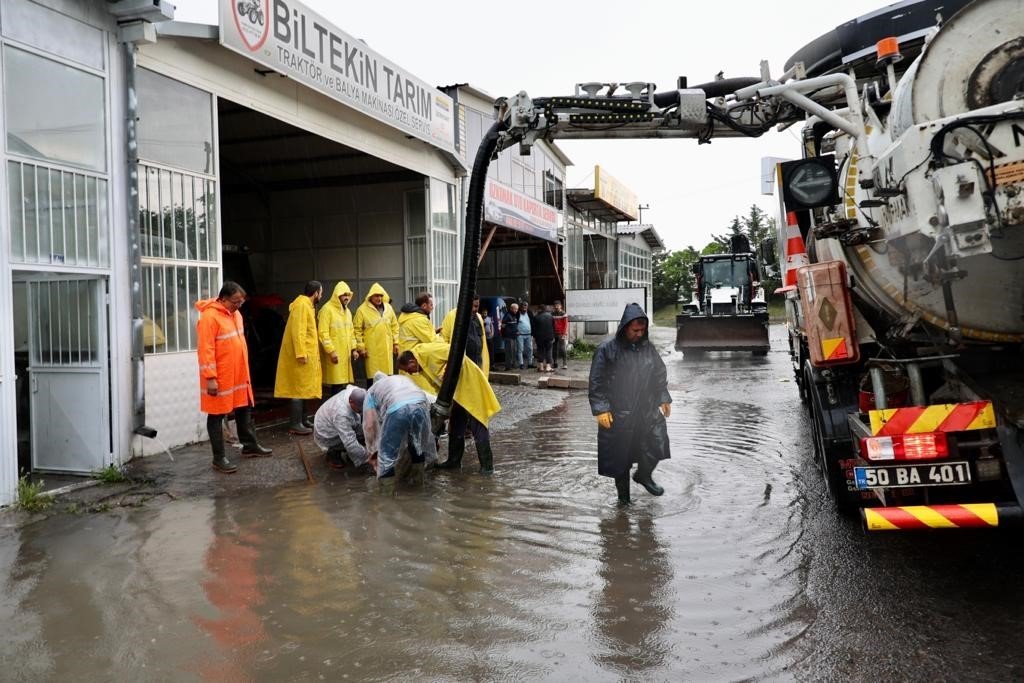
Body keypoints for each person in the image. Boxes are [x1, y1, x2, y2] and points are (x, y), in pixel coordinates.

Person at [588, 303, 672, 505]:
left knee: (658, 442)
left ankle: (644, 475)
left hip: (647, 409)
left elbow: (659, 374)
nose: (639, 333)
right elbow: (596, 381)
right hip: (619, 412)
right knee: (621, 458)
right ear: (625, 327)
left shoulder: (648, 348)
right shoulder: (607, 349)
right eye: (635, 330)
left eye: (642, 330)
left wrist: (663, 396)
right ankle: (623, 500)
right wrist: (601, 408)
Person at [196, 282, 272, 474]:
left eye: (241, 302)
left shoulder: (236, 314)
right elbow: (206, 350)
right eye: (236, 301)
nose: (239, 305)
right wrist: (210, 378)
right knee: (216, 415)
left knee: (243, 409)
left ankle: (249, 445)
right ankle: (218, 457)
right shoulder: (209, 318)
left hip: (238, 375)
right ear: (223, 299)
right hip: (220, 377)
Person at [397, 344, 501, 474]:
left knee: (477, 423)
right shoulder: (422, 366)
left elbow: (458, 353)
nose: (409, 373)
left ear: (412, 361)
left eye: (408, 369)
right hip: (456, 392)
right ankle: (454, 461)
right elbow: (438, 386)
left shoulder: (429, 351)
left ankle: (487, 466)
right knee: (456, 423)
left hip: (470, 385)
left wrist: (448, 367)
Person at [362, 372, 437, 479]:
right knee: (417, 446)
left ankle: (385, 494)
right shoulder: (400, 380)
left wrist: (373, 451)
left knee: (386, 456)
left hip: (398, 408)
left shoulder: (371, 392)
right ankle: (418, 484)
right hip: (421, 404)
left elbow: (369, 425)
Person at [274, 280, 323, 435]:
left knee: (304, 388)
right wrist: (301, 353)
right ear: (316, 293)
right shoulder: (302, 306)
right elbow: (298, 331)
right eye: (321, 292)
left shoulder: (306, 306)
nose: (321, 295)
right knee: (298, 388)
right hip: (302, 356)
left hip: (306, 355)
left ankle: (303, 420)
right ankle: (295, 424)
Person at [312, 385, 369, 471]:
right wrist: (367, 458)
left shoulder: (356, 391)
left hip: (332, 420)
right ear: (351, 401)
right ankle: (333, 452)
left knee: (364, 433)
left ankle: (353, 453)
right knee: (351, 442)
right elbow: (349, 441)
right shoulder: (341, 413)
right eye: (359, 408)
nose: (361, 410)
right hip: (326, 433)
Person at [353, 283, 399, 387]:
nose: (379, 298)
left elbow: (395, 326)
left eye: (381, 296)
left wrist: (396, 343)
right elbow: (357, 330)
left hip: (387, 350)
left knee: (387, 381)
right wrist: (361, 347)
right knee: (373, 380)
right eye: (376, 296)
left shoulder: (389, 308)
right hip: (371, 351)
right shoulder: (362, 310)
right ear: (370, 296)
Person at [318, 281, 359, 396]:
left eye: (348, 295)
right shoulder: (327, 310)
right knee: (336, 386)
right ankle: (333, 411)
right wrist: (331, 351)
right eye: (344, 295)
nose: (346, 297)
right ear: (337, 295)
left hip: (345, 355)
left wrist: (354, 349)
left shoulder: (347, 312)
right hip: (335, 354)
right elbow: (323, 333)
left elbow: (351, 332)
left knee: (342, 385)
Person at [440, 295, 489, 375]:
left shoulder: (479, 318)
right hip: (461, 364)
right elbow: (443, 339)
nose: (474, 309)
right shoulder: (452, 316)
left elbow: (482, 341)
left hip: (477, 363)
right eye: (471, 306)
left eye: (476, 306)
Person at [532, 304, 555, 373]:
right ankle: (548, 367)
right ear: (545, 309)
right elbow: (553, 327)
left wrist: (534, 336)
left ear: (539, 309)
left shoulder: (536, 317)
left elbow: (534, 328)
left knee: (540, 351)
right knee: (549, 351)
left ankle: (541, 367)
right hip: (549, 337)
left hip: (539, 337)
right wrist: (553, 336)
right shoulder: (550, 316)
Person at [500, 302, 520, 371]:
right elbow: (502, 326)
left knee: (513, 351)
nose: (516, 311)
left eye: (517, 309)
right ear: (511, 308)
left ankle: (512, 364)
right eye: (515, 309)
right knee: (509, 352)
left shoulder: (514, 315)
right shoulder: (507, 315)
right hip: (508, 337)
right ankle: (508, 366)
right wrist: (504, 335)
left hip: (513, 337)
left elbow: (514, 325)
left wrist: (517, 331)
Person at [516, 299, 534, 370]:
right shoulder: (517, 314)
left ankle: (530, 363)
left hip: (529, 334)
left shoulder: (529, 313)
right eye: (523, 305)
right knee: (520, 349)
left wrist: (533, 332)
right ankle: (521, 364)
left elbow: (532, 323)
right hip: (520, 335)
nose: (525, 307)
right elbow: (514, 323)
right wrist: (516, 331)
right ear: (520, 306)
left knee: (530, 349)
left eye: (526, 305)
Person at [552, 300, 569, 369]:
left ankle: (565, 363)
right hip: (554, 333)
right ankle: (555, 362)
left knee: (562, 348)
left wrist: (564, 333)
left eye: (558, 305)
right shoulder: (552, 314)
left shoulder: (563, 313)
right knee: (554, 348)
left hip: (561, 333)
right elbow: (551, 323)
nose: (556, 307)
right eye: (555, 305)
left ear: (560, 306)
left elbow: (566, 325)